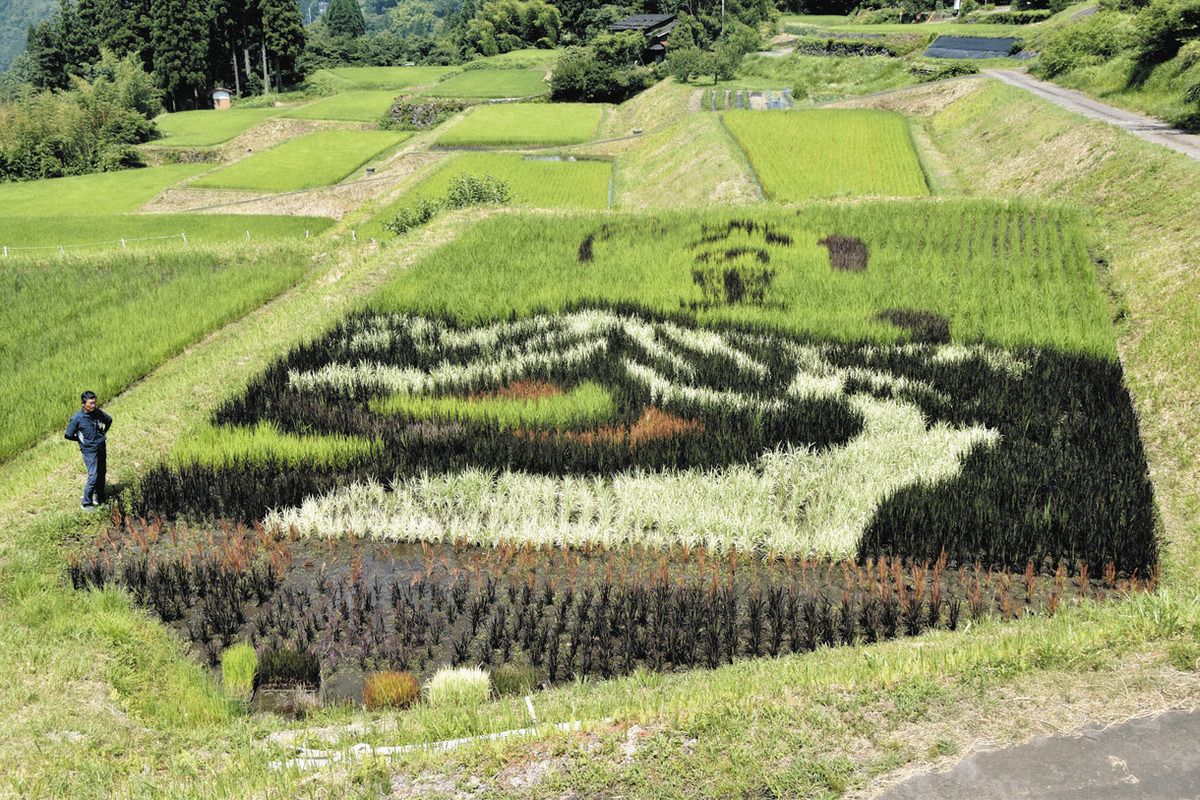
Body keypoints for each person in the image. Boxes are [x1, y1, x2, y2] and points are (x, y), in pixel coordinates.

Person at [65, 391, 112, 511]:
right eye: (90, 403)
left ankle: (100, 498)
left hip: (101, 447)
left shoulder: (97, 412)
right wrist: (82, 441)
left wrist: (102, 434)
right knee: (93, 476)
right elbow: (68, 435)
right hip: (89, 451)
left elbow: (109, 420)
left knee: (102, 473)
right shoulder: (77, 418)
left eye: (94, 403)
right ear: (83, 404)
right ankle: (86, 502)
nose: (93, 406)